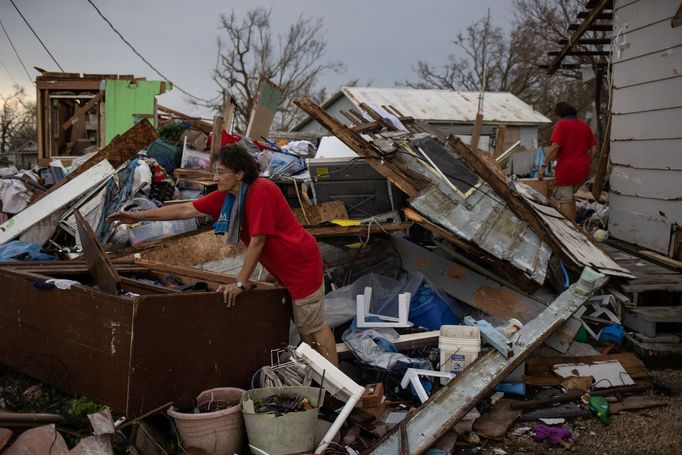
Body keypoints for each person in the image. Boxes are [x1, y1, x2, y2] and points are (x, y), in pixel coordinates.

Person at [106, 142, 339, 366]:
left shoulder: (261, 192)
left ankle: (337, 389)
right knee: (303, 328)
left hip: (300, 264)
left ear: (239, 174)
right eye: (215, 172)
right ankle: (320, 377)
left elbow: (258, 240)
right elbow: (185, 209)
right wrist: (137, 217)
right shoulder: (229, 197)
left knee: (313, 328)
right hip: (280, 266)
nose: (215, 178)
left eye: (220, 172)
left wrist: (240, 282)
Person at [539, 102, 597, 221]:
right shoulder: (584, 126)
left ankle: (570, 228)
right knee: (570, 197)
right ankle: (575, 225)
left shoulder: (562, 125)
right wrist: (587, 162)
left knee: (564, 199)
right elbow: (594, 149)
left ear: (560, 114)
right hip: (582, 170)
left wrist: (544, 165)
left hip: (566, 170)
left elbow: (555, 146)